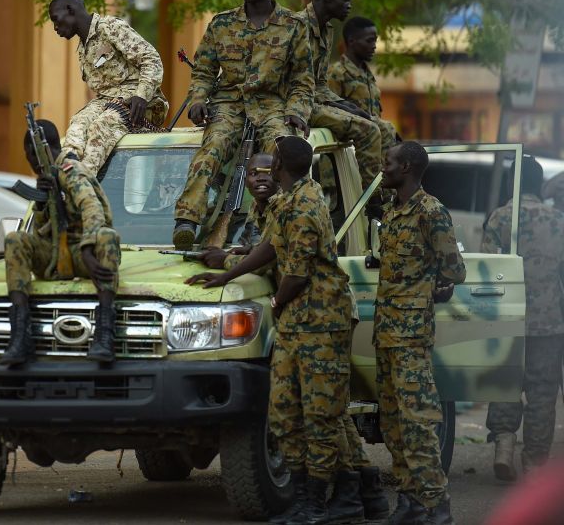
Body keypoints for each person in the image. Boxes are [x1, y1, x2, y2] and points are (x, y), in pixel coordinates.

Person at [187, 136, 352, 524]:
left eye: (271, 160)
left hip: (319, 319)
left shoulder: (306, 203)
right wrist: (228, 270)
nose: (265, 168)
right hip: (298, 323)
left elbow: (295, 271)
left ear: (280, 164)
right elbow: (269, 248)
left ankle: (316, 503)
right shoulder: (289, 201)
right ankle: (331, 497)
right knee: (284, 411)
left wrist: (275, 301)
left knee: (319, 416)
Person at [171, 0, 314, 250]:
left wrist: (297, 111)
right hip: (228, 103)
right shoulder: (222, 23)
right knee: (212, 148)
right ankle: (187, 220)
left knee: (281, 152)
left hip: (271, 103)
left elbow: (302, 78)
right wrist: (198, 98)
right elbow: (204, 70)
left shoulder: (293, 25)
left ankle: (260, 226)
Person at [375, 141, 466, 524]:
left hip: (411, 335)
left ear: (408, 167)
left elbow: (454, 269)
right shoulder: (393, 212)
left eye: (390, 162)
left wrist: (434, 287)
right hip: (386, 332)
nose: (384, 168)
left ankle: (435, 504)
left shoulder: (430, 211)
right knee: (393, 423)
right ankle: (410, 501)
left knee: (418, 422)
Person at [2, 119, 121, 365]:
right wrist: (43, 202)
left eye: (31, 155)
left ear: (44, 150)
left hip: (82, 257)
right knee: (15, 239)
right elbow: (41, 232)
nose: (31, 162)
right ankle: (20, 336)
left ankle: (104, 334)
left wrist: (88, 250)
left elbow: (93, 209)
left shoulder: (70, 170)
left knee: (108, 237)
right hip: (55, 254)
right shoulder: (48, 176)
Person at [482, 157, 564, 480]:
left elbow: (487, 267)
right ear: (538, 184)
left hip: (507, 317)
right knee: (542, 391)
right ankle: (534, 463)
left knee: (505, 381)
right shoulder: (558, 220)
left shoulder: (500, 218)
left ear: (510, 183)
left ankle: (504, 444)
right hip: (549, 321)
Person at [49, 0, 169, 176]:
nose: (55, 27)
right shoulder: (83, 48)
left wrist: (142, 95)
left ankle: (83, 182)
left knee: (101, 126)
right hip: (108, 102)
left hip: (141, 105)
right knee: (77, 124)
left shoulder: (110, 28)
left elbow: (151, 59)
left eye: (56, 19)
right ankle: (67, 172)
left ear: (70, 9)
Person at [297, 0, 382, 194]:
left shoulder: (327, 31)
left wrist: (346, 106)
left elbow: (320, 85)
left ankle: (386, 196)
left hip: (312, 100)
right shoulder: (297, 27)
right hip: (297, 105)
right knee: (369, 130)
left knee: (380, 126)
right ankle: (373, 201)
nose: (349, 5)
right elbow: (291, 83)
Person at [327, 16, 400, 156]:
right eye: (369, 41)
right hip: (346, 155)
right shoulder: (336, 73)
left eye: (375, 40)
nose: (374, 46)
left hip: (373, 151)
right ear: (352, 41)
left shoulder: (367, 74)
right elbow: (329, 113)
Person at [197, 152, 279, 271]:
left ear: (279, 176)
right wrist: (250, 249)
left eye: (269, 173)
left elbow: (268, 262)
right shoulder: (257, 204)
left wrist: (225, 260)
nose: (261, 178)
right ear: (245, 181)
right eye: (254, 174)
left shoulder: (286, 209)